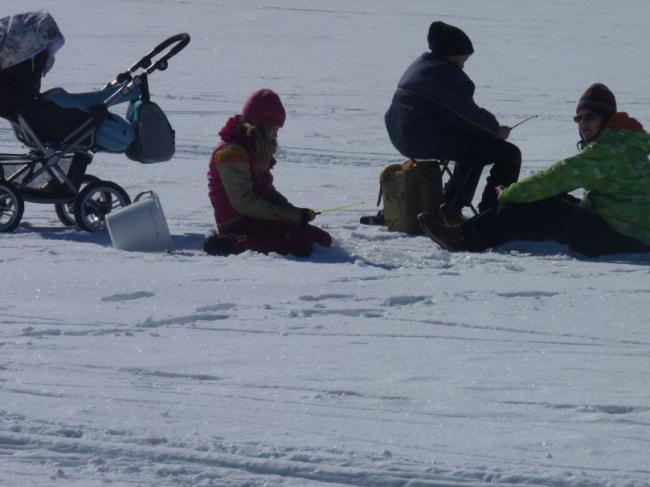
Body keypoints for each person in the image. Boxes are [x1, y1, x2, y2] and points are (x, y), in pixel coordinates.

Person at [419, 83, 650, 257]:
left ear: (606, 118)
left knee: (538, 205)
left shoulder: (608, 150)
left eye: (590, 116)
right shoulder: (624, 141)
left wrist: (511, 192)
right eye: (578, 118)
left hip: (622, 238)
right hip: (628, 229)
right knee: (547, 198)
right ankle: (478, 226)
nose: (583, 123)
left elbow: (559, 176)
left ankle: (464, 238)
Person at [385, 21, 521, 225]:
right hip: (420, 137)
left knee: (474, 144)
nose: (463, 65)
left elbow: (458, 114)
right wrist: (495, 130)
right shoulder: (443, 73)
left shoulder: (424, 66)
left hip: (405, 134)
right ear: (450, 53)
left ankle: (451, 204)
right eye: (462, 59)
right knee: (508, 153)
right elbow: (467, 114)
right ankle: (488, 214)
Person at [204, 89, 333, 257]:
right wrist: (290, 216)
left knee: (321, 239)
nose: (276, 134)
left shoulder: (254, 148)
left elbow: (267, 190)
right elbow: (244, 202)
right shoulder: (231, 153)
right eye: (274, 128)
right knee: (299, 244)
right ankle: (231, 244)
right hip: (238, 221)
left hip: (258, 217)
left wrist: (294, 213)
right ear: (261, 127)